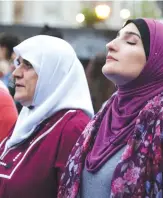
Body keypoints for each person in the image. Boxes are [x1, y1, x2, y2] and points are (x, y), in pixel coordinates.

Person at [58, 18, 163, 198]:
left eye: (130, 41)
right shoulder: (102, 119)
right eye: (116, 37)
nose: (110, 45)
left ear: (158, 60)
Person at [0, 35, 94, 198]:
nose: (15, 73)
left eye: (28, 65)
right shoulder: (30, 116)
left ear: (53, 72)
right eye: (18, 63)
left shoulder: (73, 127)